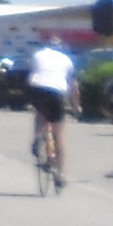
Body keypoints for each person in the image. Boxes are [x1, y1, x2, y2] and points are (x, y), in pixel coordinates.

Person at [24, 36, 78, 181]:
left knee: (40, 112)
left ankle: (37, 138)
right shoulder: (67, 60)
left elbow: (31, 73)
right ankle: (60, 175)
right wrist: (75, 107)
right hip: (56, 91)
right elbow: (74, 87)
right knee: (58, 134)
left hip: (36, 88)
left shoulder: (38, 54)